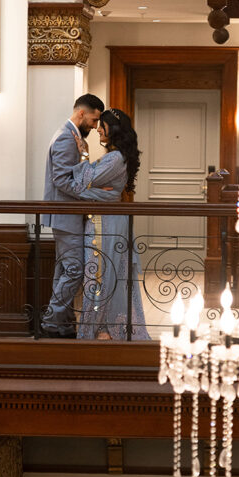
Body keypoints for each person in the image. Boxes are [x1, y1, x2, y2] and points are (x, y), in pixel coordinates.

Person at [67, 108, 150, 340]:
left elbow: (81, 182)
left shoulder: (115, 158)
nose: (97, 129)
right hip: (106, 220)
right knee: (103, 275)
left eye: (101, 125)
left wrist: (84, 160)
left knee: (100, 276)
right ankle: (102, 327)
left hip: (107, 224)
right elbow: (88, 183)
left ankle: (102, 329)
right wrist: (92, 186)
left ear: (111, 129)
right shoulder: (116, 155)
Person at [41, 93, 105, 338]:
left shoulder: (72, 136)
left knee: (65, 270)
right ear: (82, 113)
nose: (95, 125)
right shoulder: (66, 139)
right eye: (94, 119)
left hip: (66, 215)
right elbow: (61, 180)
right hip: (66, 215)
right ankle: (51, 321)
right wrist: (91, 195)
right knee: (75, 270)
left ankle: (62, 322)